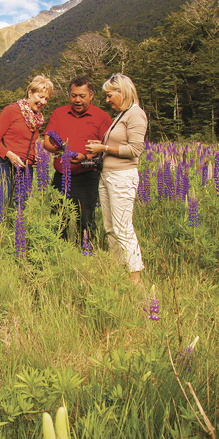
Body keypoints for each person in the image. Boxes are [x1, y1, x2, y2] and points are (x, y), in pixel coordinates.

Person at [86, 74, 148, 285]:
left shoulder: (136, 114)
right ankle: (117, 270)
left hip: (122, 177)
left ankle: (135, 278)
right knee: (110, 227)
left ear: (122, 92)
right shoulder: (122, 115)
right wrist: (101, 147)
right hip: (108, 176)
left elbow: (135, 150)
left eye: (109, 95)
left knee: (123, 228)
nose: (107, 100)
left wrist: (103, 147)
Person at [42, 76, 112, 243]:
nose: (78, 100)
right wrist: (59, 150)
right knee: (58, 219)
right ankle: (58, 252)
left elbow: (105, 148)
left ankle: (87, 253)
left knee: (86, 220)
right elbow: (46, 141)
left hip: (87, 176)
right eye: (74, 95)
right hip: (61, 176)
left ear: (92, 95)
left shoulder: (102, 117)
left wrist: (84, 157)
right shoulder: (59, 113)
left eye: (82, 96)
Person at [0, 75, 54, 205]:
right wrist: (10, 155)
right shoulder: (11, 110)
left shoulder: (37, 119)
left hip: (26, 168)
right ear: (30, 92)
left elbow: (28, 144)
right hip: (5, 164)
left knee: (19, 210)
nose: (44, 102)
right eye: (40, 97)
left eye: (46, 98)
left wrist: (34, 158)